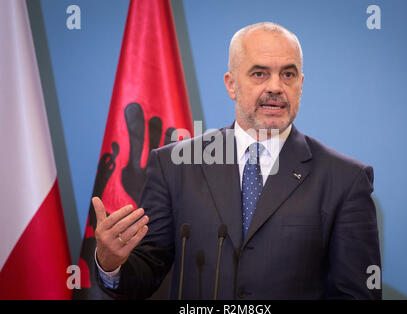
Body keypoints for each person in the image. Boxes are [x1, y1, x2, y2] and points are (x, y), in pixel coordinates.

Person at [93, 22, 382, 299]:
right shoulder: (174, 166)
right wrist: (110, 264)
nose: (276, 87)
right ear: (231, 85)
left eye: (288, 75)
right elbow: (147, 272)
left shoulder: (345, 180)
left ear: (301, 85)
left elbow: (357, 294)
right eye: (259, 73)